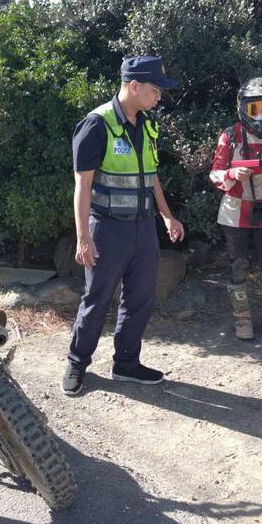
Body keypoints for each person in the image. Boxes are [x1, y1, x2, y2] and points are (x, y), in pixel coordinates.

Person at [62, 55, 185, 396]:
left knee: (141, 297)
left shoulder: (148, 124)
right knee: (97, 298)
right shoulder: (95, 125)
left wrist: (166, 215)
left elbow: (152, 176)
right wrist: (83, 236)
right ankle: (77, 362)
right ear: (133, 85)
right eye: (155, 89)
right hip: (106, 228)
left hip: (144, 228)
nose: (159, 96)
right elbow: (81, 186)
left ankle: (127, 363)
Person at [209, 77, 262, 340]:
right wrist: (233, 174)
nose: (259, 115)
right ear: (241, 108)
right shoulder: (231, 135)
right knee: (239, 266)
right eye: (253, 108)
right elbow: (214, 174)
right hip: (234, 211)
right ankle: (242, 319)